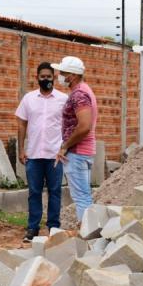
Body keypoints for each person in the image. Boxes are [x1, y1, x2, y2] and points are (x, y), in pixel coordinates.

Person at [15, 62, 68, 242]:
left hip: (55, 155)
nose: (46, 79)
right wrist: (21, 149)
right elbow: (21, 124)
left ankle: (53, 227)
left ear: (54, 77)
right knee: (34, 192)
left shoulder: (63, 99)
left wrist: (65, 147)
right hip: (34, 155)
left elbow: (69, 125)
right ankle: (32, 228)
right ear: (37, 77)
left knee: (55, 191)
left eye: (49, 76)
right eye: (42, 76)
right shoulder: (28, 98)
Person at [51, 56, 97, 222]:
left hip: (77, 152)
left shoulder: (78, 95)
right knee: (84, 196)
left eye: (63, 73)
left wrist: (65, 146)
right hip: (83, 151)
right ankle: (90, 235)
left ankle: (86, 238)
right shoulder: (85, 90)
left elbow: (84, 126)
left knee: (81, 198)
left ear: (73, 75)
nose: (60, 76)